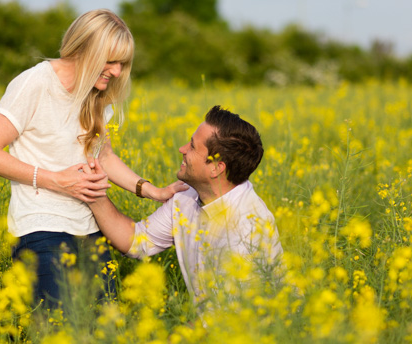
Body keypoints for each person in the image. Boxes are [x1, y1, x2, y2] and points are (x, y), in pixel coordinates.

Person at [0, 9, 185, 308]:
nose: (116, 72)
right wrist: (57, 181)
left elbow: (104, 156)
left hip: (89, 227)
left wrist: (152, 191)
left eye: (123, 64)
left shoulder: (96, 96)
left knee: (102, 329)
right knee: (57, 329)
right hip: (41, 228)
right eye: (110, 61)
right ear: (84, 49)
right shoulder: (34, 83)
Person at [87, 105, 283, 309]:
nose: (182, 149)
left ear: (216, 167)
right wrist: (93, 193)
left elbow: (228, 319)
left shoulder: (247, 228)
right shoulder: (188, 195)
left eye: (192, 146)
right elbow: (137, 241)